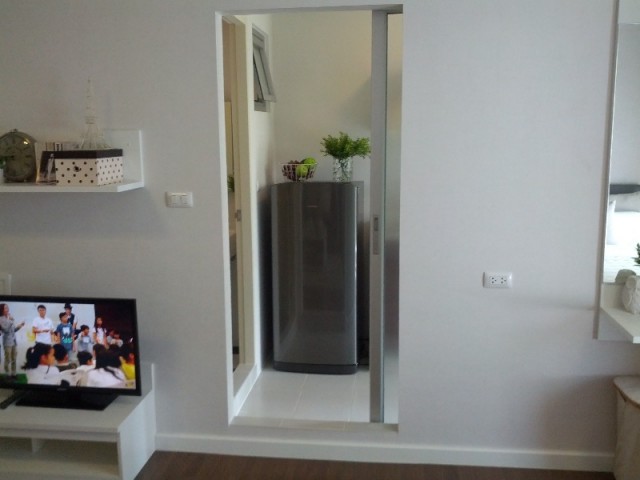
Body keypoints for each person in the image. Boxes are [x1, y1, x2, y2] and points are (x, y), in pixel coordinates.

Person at [0, 303, 25, 377]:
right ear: (2, 310)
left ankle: (14, 373)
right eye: (5, 308)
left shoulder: (9, 318)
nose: (7, 309)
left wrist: (20, 326)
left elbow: (13, 330)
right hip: (7, 342)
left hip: (14, 341)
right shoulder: (1, 319)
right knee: (8, 359)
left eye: (7, 308)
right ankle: (7, 373)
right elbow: (5, 330)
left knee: (14, 358)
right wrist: (10, 320)